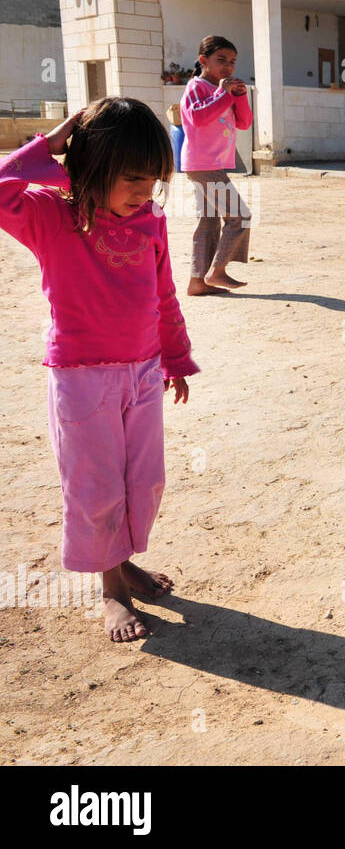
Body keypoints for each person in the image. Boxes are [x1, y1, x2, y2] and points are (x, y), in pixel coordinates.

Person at [0, 99, 199, 642]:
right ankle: (110, 589)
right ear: (90, 165)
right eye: (132, 177)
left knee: (144, 480)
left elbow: (162, 293)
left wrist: (175, 359)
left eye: (154, 179)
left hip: (144, 373)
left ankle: (124, 560)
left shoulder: (151, 221)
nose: (145, 191)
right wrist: (53, 144)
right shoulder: (49, 215)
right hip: (81, 377)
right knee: (97, 487)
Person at [181, 34, 254, 296]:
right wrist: (224, 94)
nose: (228, 66)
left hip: (210, 166)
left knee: (208, 222)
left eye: (232, 62)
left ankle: (198, 282)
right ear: (203, 61)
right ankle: (218, 270)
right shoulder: (196, 87)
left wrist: (240, 96)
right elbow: (199, 118)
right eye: (221, 60)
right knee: (240, 216)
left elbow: (244, 122)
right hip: (203, 165)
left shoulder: (222, 90)